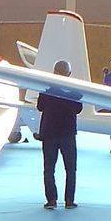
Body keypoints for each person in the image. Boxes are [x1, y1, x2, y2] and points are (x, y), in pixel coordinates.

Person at [35, 60, 82, 210]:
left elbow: (40, 107)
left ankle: (51, 200)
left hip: (49, 133)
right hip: (67, 133)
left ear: (54, 73)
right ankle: (69, 200)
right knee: (70, 168)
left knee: (49, 168)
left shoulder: (47, 91)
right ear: (69, 74)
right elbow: (78, 109)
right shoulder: (74, 92)